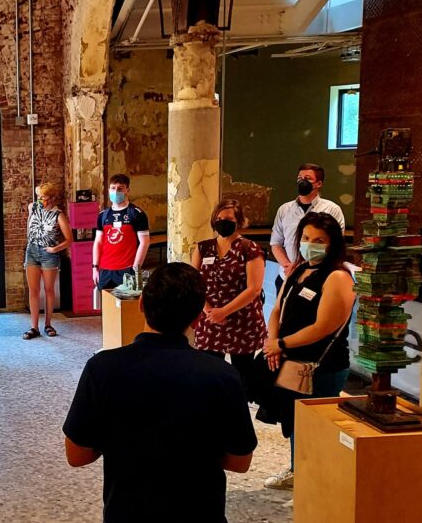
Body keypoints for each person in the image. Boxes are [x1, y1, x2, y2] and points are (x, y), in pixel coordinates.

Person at [64, 262, 256, 523]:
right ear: (198, 318)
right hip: (200, 513)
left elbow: (77, 455)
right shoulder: (221, 375)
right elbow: (239, 462)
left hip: (127, 512)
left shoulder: (102, 368)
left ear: (141, 303)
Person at [261, 212, 355, 492]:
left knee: (316, 426)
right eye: (305, 238)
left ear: (332, 244)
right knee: (295, 421)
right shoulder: (298, 270)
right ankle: (298, 469)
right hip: (291, 362)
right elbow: (277, 308)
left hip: (321, 367)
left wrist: (281, 344)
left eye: (318, 240)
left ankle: (318, 479)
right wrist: (273, 342)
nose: (309, 244)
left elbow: (324, 326)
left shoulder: (338, 277)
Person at [190, 199, 267, 384]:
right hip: (210, 319)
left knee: (242, 375)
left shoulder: (249, 248)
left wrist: (224, 311)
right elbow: (193, 283)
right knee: (209, 373)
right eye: (219, 218)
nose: (223, 222)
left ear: (238, 221)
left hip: (242, 319)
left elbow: (254, 288)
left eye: (228, 219)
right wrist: (209, 310)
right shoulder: (203, 248)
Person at [270, 163, 346, 292]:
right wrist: (288, 266)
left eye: (308, 178)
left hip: (320, 278)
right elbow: (276, 243)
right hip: (287, 276)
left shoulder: (332, 209)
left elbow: (335, 244)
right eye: (300, 178)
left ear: (319, 184)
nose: (302, 181)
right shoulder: (284, 210)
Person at [23, 181, 73, 339]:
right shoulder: (33, 207)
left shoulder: (58, 215)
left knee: (49, 290)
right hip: (32, 250)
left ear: (51, 198)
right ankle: (34, 327)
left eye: (43, 197)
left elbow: (69, 239)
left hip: (49, 252)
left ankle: (48, 324)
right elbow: (29, 226)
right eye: (38, 196)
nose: (39, 200)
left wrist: (55, 249)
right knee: (33, 290)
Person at [93, 174, 150, 290]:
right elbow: (98, 243)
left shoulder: (136, 214)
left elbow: (145, 242)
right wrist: (95, 268)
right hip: (105, 270)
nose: (116, 191)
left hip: (127, 269)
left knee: (125, 306)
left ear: (127, 190)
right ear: (109, 190)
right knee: (106, 306)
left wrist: (136, 269)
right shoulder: (103, 215)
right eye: (113, 188)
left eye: (120, 188)